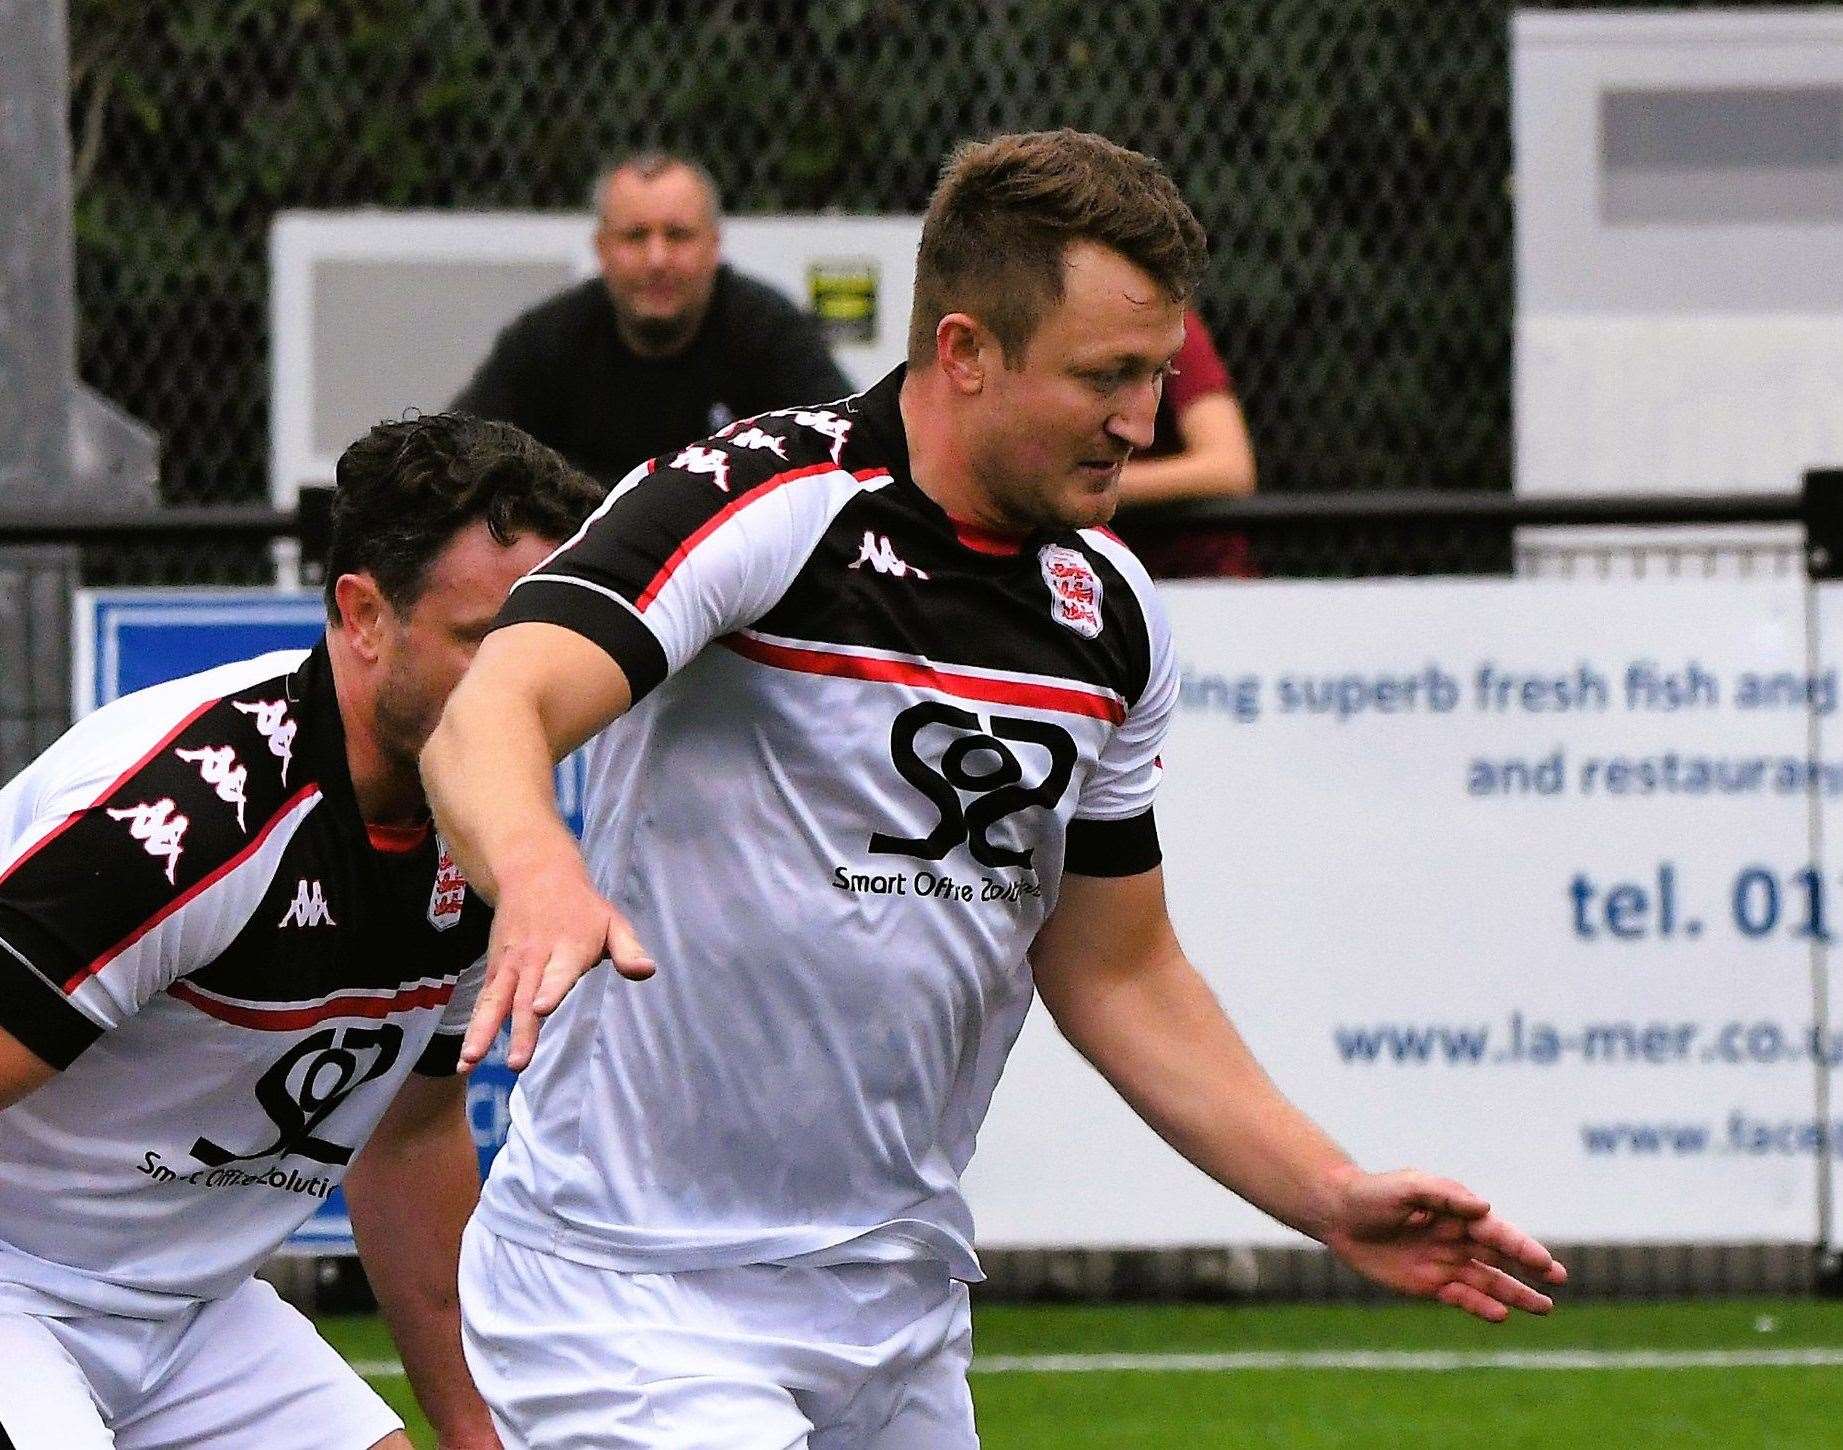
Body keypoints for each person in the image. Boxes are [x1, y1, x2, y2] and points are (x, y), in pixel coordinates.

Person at [422, 129, 1566, 1449]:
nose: (1141, 421)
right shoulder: (762, 500)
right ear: (962, 350)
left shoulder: (1111, 613)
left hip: (895, 1302)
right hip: (630, 1291)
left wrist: (1325, 1191)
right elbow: (489, 710)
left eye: (1150, 374)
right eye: (1103, 376)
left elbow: (1118, 971)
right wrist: (542, 874)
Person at [0, 413, 603, 1449]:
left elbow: (411, 1138)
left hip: (192, 1313)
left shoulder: (483, 822)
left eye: (544, 646)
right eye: (483, 642)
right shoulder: (189, 816)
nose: (526, 691)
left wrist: (476, 1434)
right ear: (364, 615)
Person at [451, 152, 853, 488]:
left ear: (714, 246)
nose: (657, 259)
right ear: (602, 248)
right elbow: (459, 457)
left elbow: (849, 456)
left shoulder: (771, 334)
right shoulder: (545, 341)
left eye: (678, 235)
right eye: (636, 236)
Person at [1111, 307, 1262, 578]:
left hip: (1201, 581)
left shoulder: (1163, 318)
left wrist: (1100, 480)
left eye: (1158, 372)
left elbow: (1229, 467)